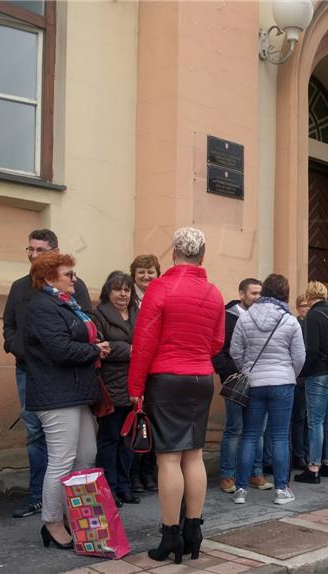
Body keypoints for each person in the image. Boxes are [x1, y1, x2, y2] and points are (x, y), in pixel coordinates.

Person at [127, 227, 225, 564]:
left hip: (166, 377)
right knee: (194, 455)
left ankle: (170, 535)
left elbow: (143, 343)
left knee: (168, 458)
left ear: (173, 254)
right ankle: (193, 531)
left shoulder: (160, 288)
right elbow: (216, 343)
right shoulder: (213, 293)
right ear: (202, 256)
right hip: (200, 377)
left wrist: (135, 388)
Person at [2, 229, 92, 519]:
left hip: (68, 379)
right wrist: (25, 351)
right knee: (39, 438)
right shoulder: (22, 289)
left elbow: (86, 327)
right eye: (30, 249)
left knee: (78, 452)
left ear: (53, 253)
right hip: (33, 373)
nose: (33, 254)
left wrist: (90, 347)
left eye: (40, 250)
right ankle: (40, 503)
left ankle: (71, 512)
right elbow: (11, 328)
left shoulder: (73, 291)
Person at [25, 252, 109, 549]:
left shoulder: (65, 305)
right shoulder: (41, 307)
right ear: (49, 278)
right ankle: (52, 522)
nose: (75, 278)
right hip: (55, 395)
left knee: (86, 456)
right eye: (68, 274)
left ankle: (78, 517)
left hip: (76, 392)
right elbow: (59, 349)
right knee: (61, 461)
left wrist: (94, 346)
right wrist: (95, 350)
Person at [230, 274, 305, 506]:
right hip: (282, 383)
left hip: (254, 383)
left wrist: (247, 370)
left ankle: (241, 489)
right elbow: (299, 356)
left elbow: (235, 351)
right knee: (280, 436)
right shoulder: (290, 320)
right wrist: (290, 374)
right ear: (285, 294)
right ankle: (281, 490)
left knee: (250, 436)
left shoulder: (245, 317)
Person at [212, 278, 271, 494]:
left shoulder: (264, 317)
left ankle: (255, 473)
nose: (257, 298)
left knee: (258, 430)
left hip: (260, 381)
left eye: (259, 294)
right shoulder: (227, 317)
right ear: (242, 294)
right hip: (235, 380)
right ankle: (227, 475)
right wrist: (229, 375)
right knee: (234, 429)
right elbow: (218, 349)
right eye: (253, 293)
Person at [94, 272, 140, 508]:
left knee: (129, 441)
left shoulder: (137, 313)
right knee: (109, 439)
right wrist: (131, 350)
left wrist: (128, 348)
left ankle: (124, 486)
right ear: (108, 292)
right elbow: (102, 347)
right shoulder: (99, 314)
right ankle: (108, 488)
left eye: (127, 290)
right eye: (117, 289)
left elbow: (148, 341)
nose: (123, 294)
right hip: (111, 386)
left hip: (134, 385)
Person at [294, 281, 328, 484]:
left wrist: (302, 372)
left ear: (309, 295)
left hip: (319, 373)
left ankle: (313, 467)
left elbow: (312, 350)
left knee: (315, 421)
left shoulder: (313, 315)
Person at [129, 254, 162, 493]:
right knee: (136, 426)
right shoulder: (127, 300)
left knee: (153, 425)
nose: (146, 276)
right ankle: (134, 475)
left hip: (158, 370)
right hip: (135, 368)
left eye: (150, 271)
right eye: (141, 272)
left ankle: (149, 473)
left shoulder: (161, 295)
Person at [291, 294, 311, 469]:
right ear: (298, 307)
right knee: (298, 418)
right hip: (298, 378)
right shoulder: (294, 324)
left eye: (309, 305)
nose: (306, 308)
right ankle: (298, 454)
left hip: (311, 377)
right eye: (303, 305)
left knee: (307, 418)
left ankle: (306, 451)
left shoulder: (313, 324)